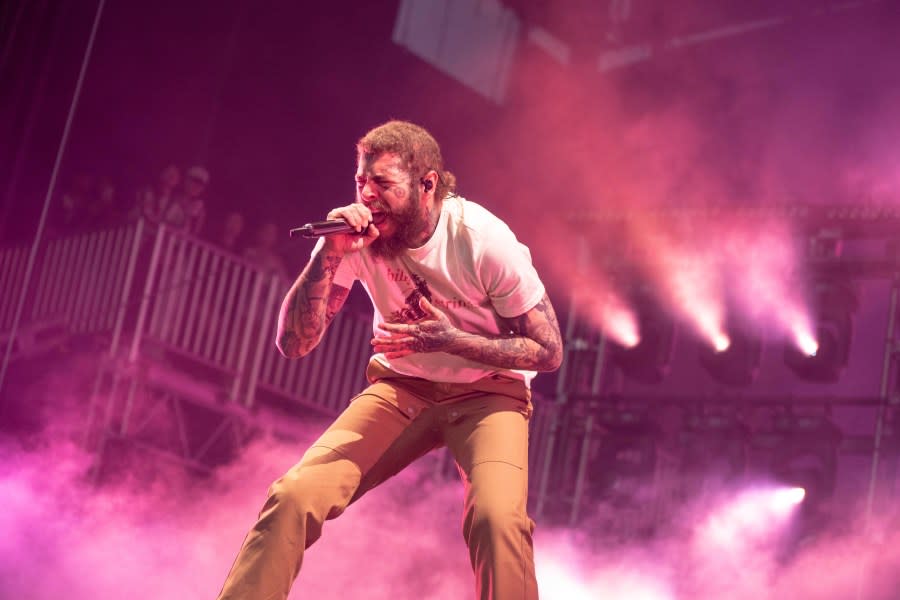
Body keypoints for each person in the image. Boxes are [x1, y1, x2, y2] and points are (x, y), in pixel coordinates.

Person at [216, 120, 562, 600]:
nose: (368, 196)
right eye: (361, 181)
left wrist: (451, 339)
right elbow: (293, 344)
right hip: (403, 389)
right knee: (294, 495)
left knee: (497, 521)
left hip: (489, 394)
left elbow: (548, 352)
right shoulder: (355, 240)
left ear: (427, 185)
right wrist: (327, 255)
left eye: (382, 184)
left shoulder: (482, 239)